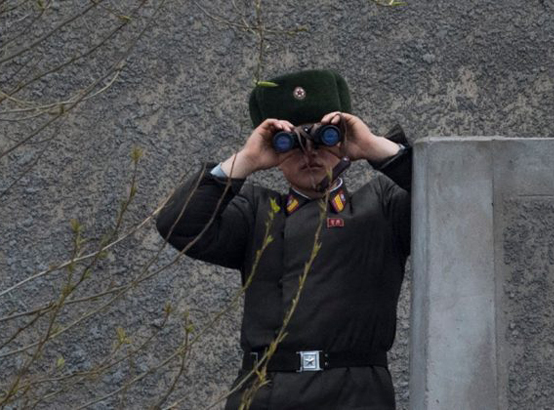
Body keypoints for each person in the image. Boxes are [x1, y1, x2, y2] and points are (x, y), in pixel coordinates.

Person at [156, 69, 412, 410]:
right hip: (265, 393)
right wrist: (245, 160)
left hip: (357, 393)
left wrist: (374, 146)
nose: (310, 153)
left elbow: (451, 196)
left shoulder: (382, 204)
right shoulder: (256, 213)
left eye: (324, 138)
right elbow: (178, 224)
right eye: (290, 142)